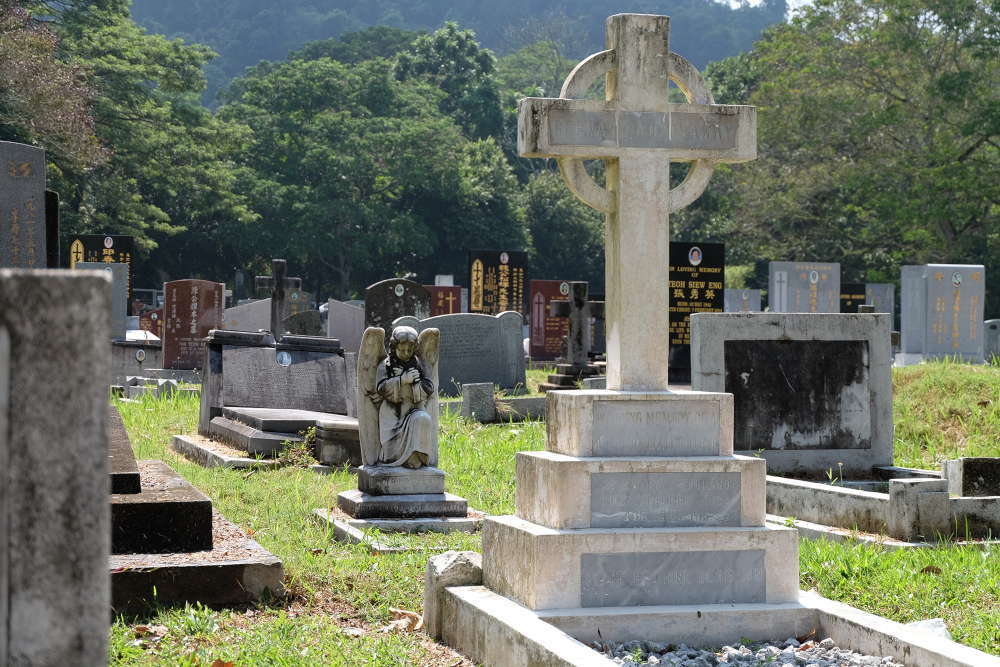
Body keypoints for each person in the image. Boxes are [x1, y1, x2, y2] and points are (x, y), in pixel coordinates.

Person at [374, 326, 435, 468]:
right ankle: (393, 458)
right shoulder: (386, 365)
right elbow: (381, 388)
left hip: (414, 408)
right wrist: (402, 380)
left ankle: (415, 455)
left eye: (409, 350)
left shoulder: (420, 365)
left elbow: (429, 388)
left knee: (423, 419)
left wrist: (414, 383)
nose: (406, 353)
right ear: (394, 347)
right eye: (401, 350)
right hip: (392, 414)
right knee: (392, 446)